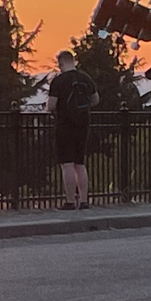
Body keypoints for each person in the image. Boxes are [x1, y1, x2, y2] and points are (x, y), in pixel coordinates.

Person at [46, 49, 98, 209]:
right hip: (83, 123)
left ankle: (69, 201)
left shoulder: (58, 81)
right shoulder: (85, 78)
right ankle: (84, 200)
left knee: (67, 164)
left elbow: (51, 105)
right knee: (80, 164)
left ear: (60, 63)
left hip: (64, 124)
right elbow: (96, 100)